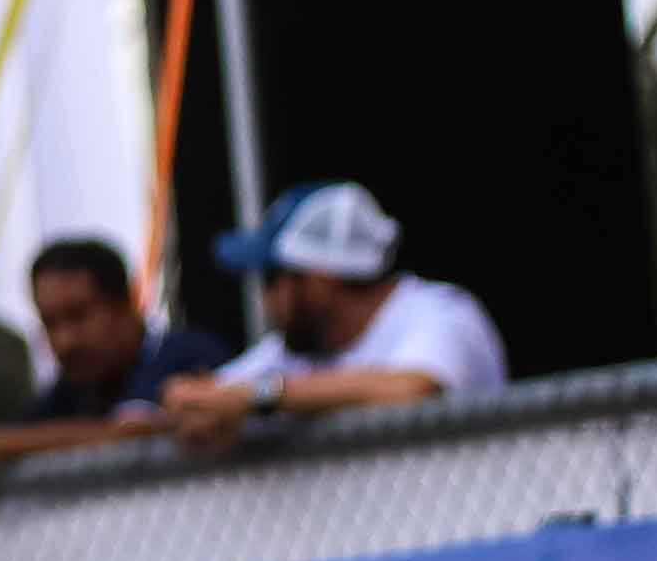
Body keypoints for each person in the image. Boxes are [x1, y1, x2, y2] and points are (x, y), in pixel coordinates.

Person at [0, 237, 229, 506]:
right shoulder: (74, 388)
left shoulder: (184, 354)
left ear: (127, 302)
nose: (64, 341)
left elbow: (128, 435)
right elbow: (19, 435)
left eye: (78, 316)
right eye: (49, 323)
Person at [159, 182, 512, 444]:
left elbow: (412, 389)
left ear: (319, 279)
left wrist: (259, 398)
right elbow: (214, 399)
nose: (266, 299)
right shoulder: (292, 352)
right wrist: (191, 406)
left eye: (271, 278)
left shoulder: (442, 313)